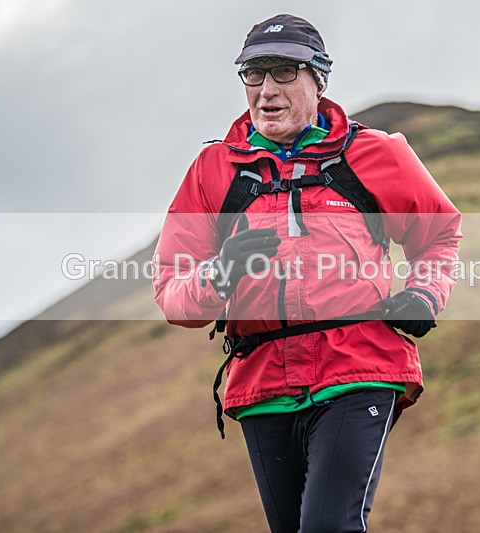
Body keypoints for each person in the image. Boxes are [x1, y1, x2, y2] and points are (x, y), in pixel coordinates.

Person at [153, 13, 462, 533]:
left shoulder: (376, 155)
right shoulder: (213, 171)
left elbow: (439, 235)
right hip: (262, 383)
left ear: (318, 79)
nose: (267, 90)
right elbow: (171, 290)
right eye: (254, 74)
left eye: (284, 72)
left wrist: (425, 293)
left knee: (327, 527)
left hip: (358, 368)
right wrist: (221, 276)